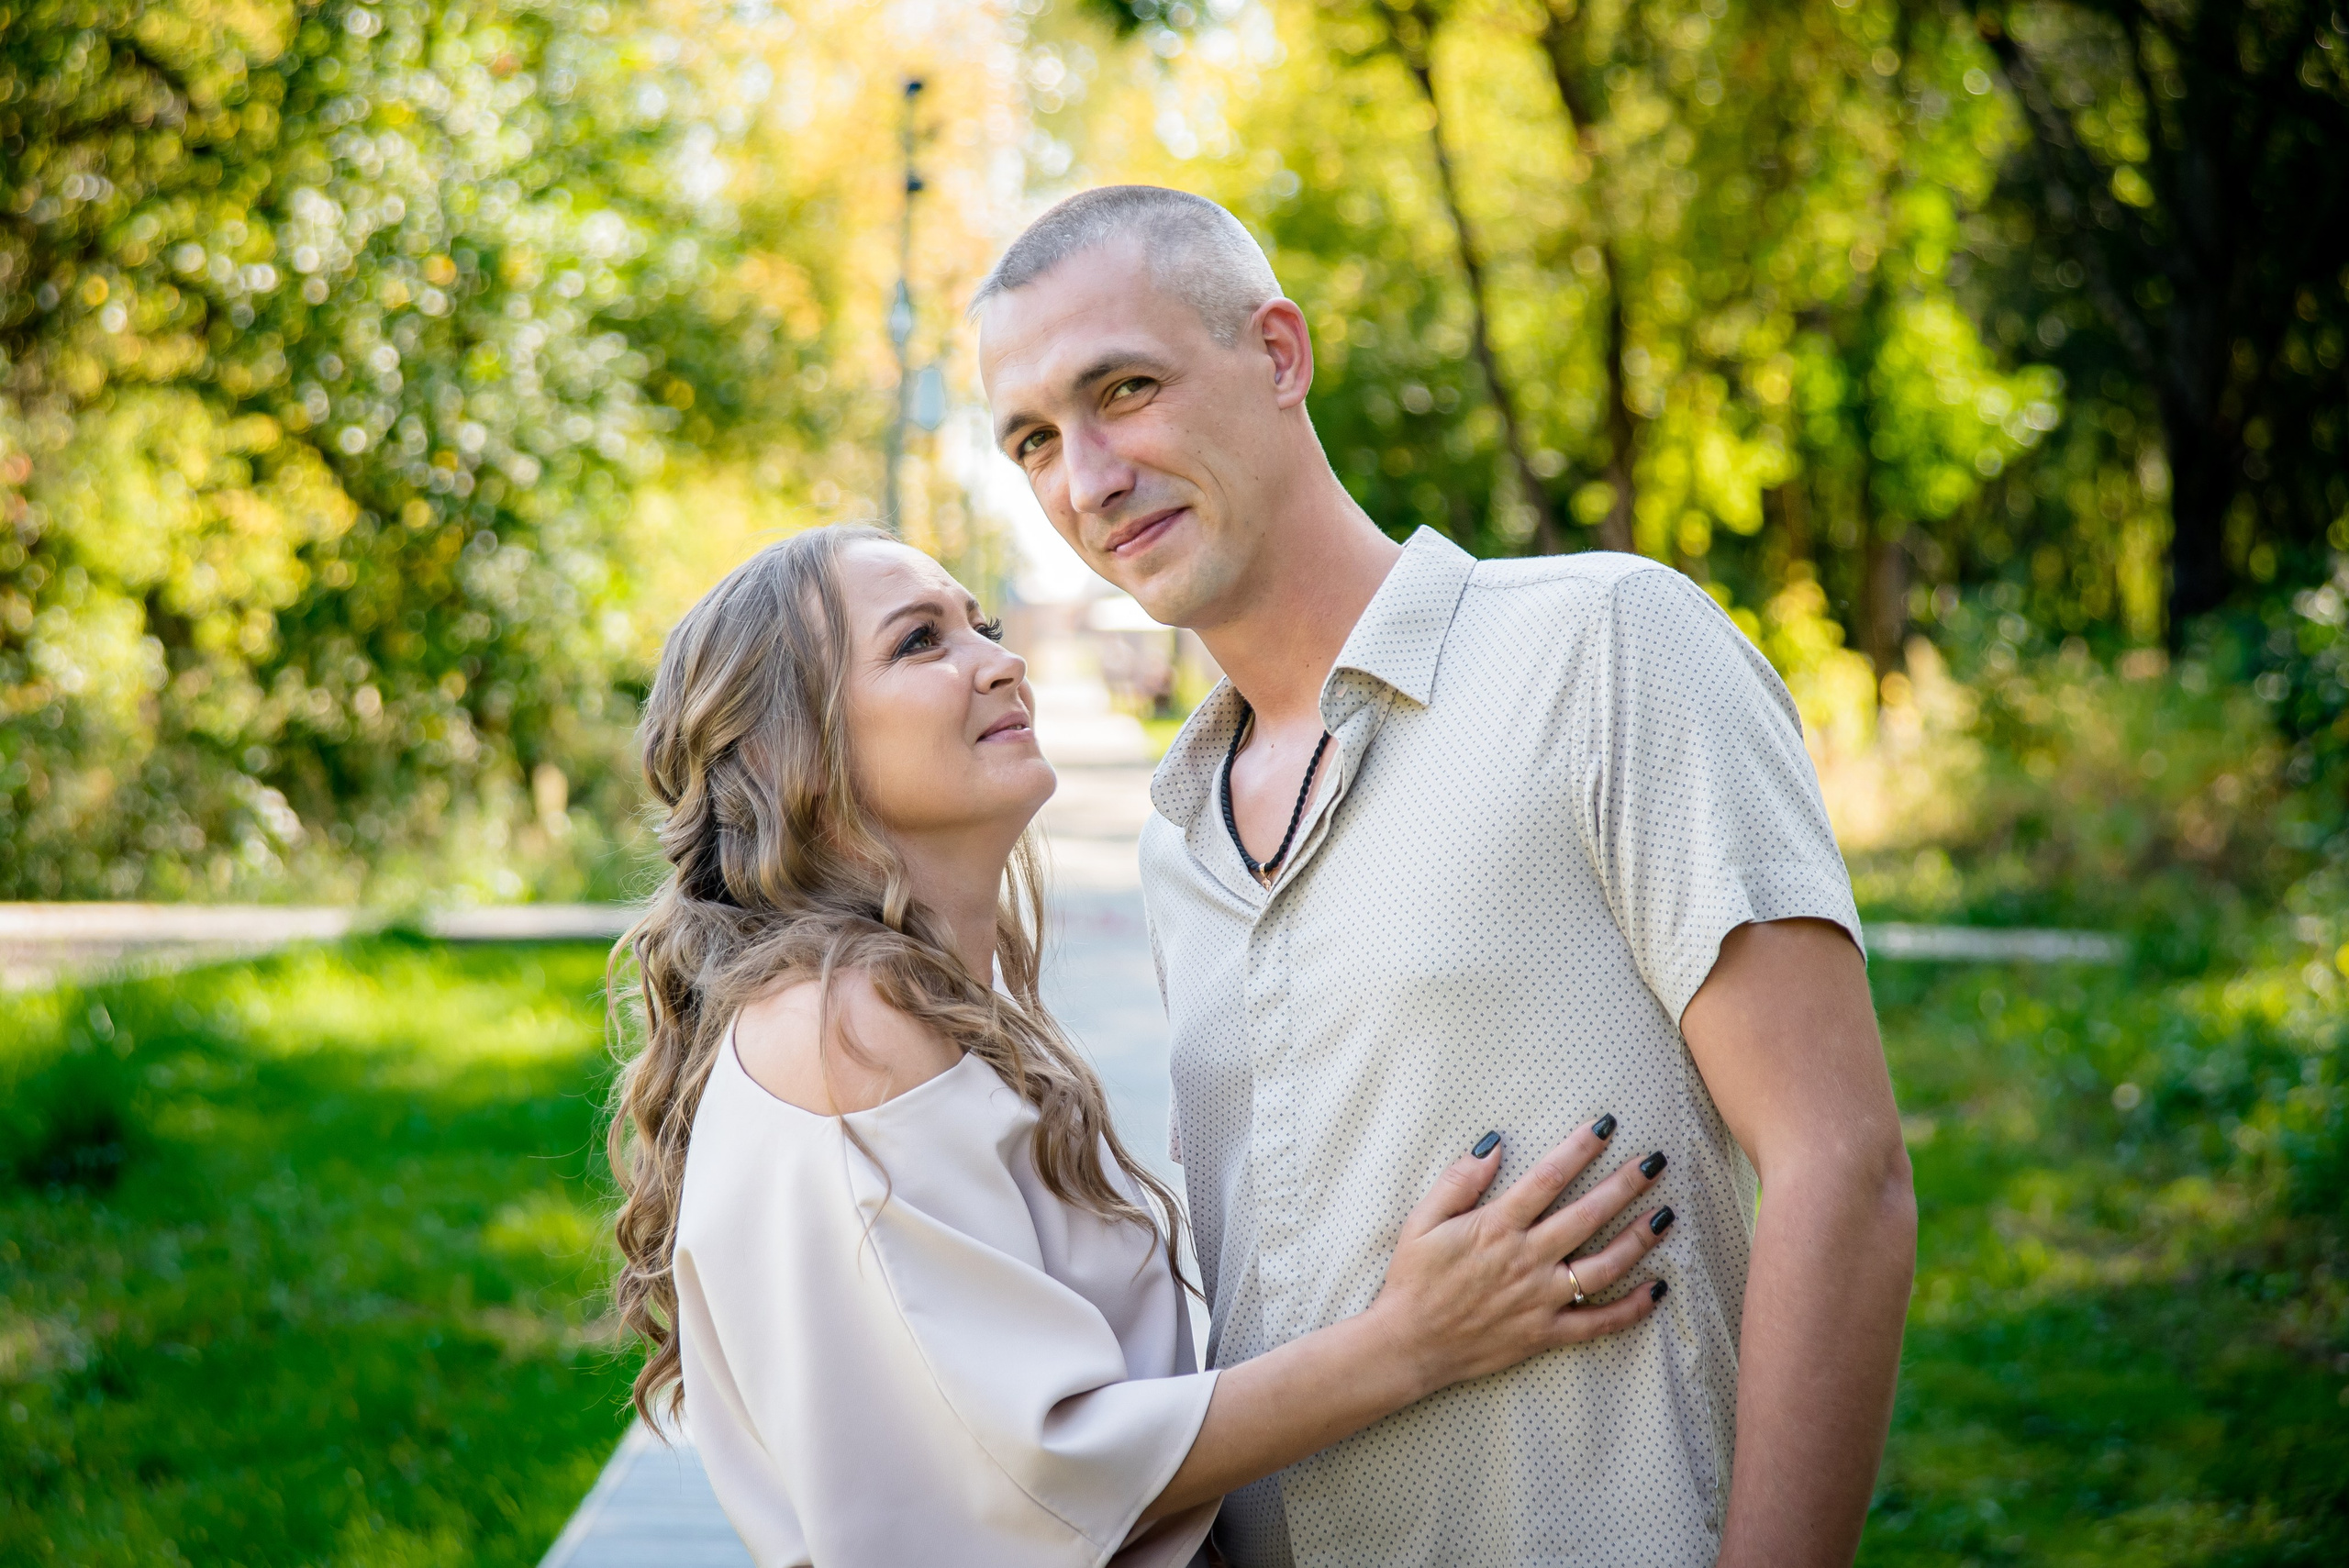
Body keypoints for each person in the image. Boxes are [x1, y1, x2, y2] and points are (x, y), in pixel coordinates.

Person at [975, 185, 1918, 1568]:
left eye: (1126, 389)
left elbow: (1844, 1167)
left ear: (1280, 355)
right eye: (1036, 442)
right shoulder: (1175, 837)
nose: (1090, 478)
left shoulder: (1606, 648)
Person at [604, 526, 1679, 1568]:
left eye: (978, 623)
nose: (1001, 658)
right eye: (921, 641)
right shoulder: (840, 1029)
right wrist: (1412, 1337)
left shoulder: (917, 1009)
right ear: (786, 751)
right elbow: (1024, 1477)